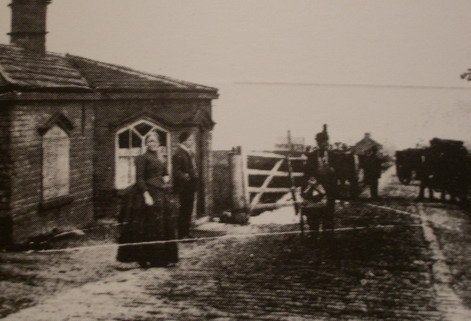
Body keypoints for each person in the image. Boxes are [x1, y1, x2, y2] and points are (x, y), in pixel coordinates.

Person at [117, 131, 179, 268]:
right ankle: (143, 259)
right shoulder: (141, 158)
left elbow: (165, 173)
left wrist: (165, 179)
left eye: (155, 141)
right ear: (146, 143)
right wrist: (146, 195)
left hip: (160, 194)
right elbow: (139, 179)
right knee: (146, 227)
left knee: (160, 226)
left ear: (159, 143)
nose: (153, 144)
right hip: (147, 194)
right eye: (150, 141)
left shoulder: (160, 158)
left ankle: (160, 259)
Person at [302, 124, 337, 240]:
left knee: (328, 211)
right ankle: (314, 233)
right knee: (314, 210)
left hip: (329, 187)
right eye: (321, 142)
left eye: (325, 141)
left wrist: (334, 170)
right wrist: (312, 178)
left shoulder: (333, 156)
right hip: (316, 186)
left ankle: (328, 234)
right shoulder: (311, 156)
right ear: (317, 143)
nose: (323, 144)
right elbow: (306, 172)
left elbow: (341, 171)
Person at [172, 132, 198, 239]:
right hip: (183, 187)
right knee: (184, 210)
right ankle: (182, 234)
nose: (191, 142)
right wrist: (186, 176)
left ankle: (186, 232)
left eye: (191, 140)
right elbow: (176, 171)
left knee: (188, 209)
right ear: (184, 141)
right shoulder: (178, 153)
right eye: (190, 140)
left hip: (190, 186)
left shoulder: (189, 153)